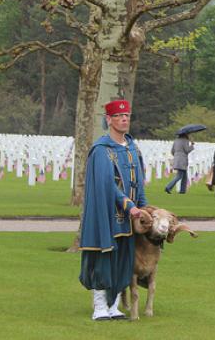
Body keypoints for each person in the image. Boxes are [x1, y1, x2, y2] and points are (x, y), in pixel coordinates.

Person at [79, 99, 146, 321]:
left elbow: (139, 181)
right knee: (104, 257)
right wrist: (129, 206)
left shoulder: (133, 148)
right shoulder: (101, 150)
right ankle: (99, 306)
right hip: (107, 213)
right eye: (119, 116)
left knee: (123, 259)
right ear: (109, 120)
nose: (124, 119)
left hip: (130, 217)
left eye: (127, 115)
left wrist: (144, 208)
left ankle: (114, 305)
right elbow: (108, 184)